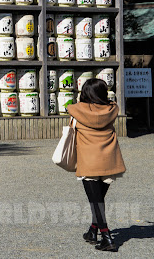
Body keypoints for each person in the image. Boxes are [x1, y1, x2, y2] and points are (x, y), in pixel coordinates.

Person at [67, 78, 125, 252]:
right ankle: (93, 230)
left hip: (88, 162)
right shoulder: (112, 109)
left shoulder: (76, 110)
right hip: (109, 160)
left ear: (85, 93)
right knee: (98, 199)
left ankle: (107, 238)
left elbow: (71, 111)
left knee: (95, 200)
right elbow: (112, 102)